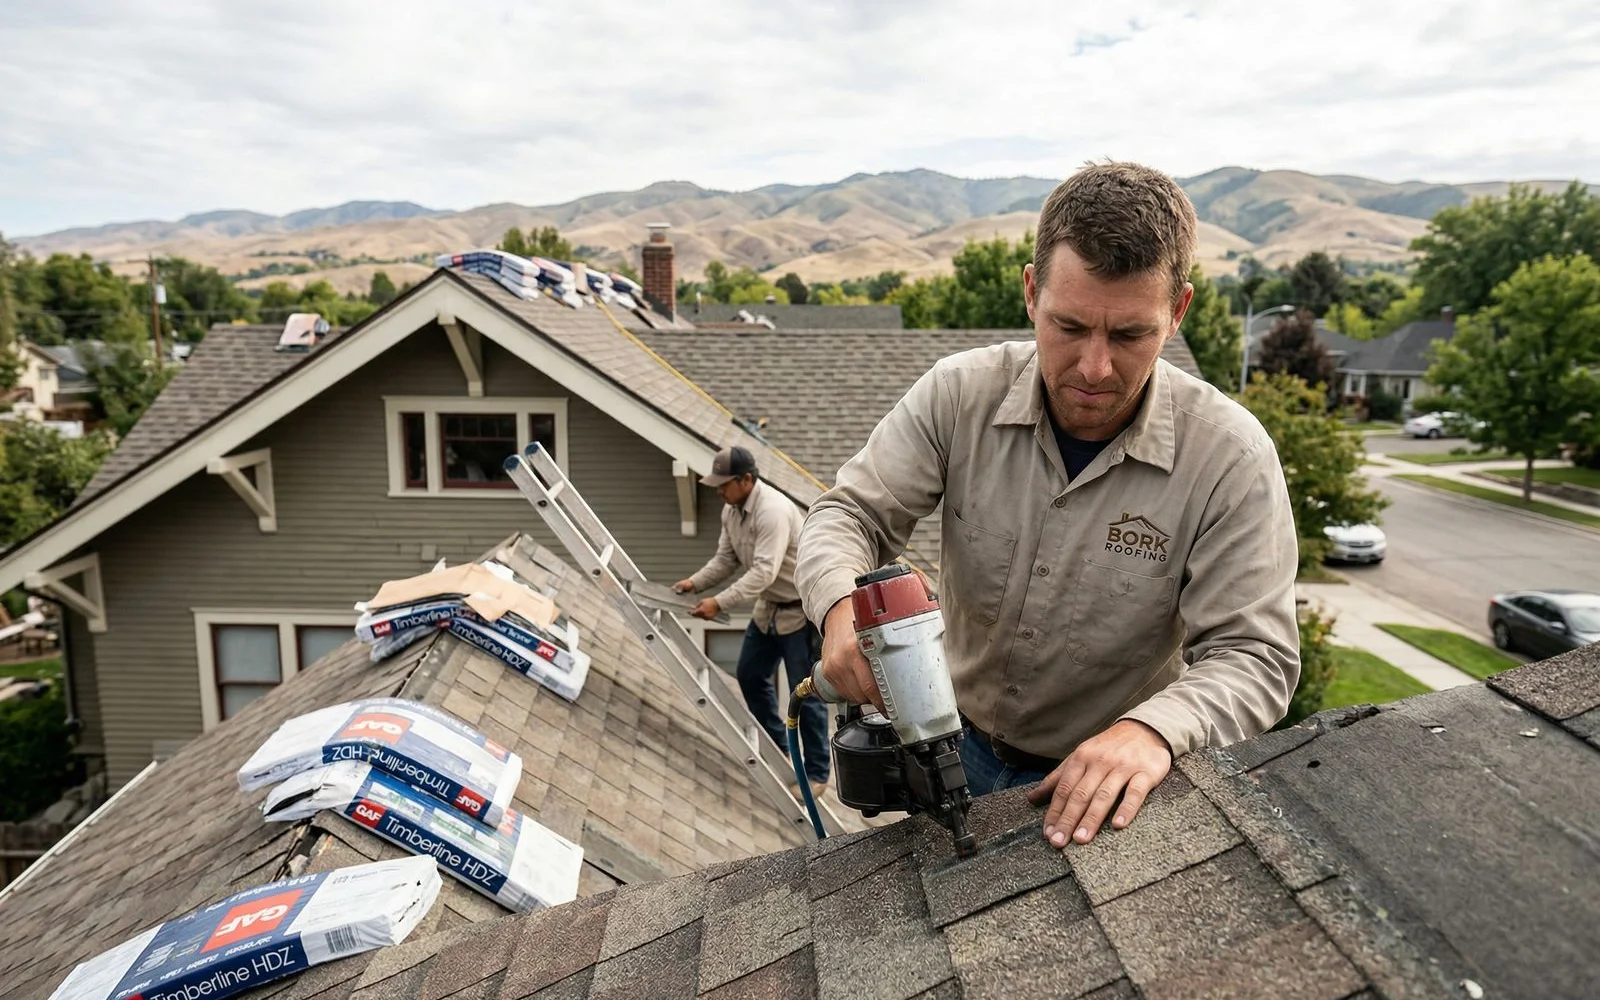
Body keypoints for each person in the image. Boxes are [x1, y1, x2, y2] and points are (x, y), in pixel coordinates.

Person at [796, 161, 1300, 850]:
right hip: (948, 741)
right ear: (1032, 293)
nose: (1096, 367)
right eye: (1069, 326)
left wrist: (1153, 730)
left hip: (1106, 779)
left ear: (1178, 312)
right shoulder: (958, 394)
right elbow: (847, 516)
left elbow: (1255, 655)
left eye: (1130, 335)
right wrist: (837, 612)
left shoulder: (1231, 458)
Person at [674, 445, 832, 796]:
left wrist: (719, 602)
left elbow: (764, 571)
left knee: (804, 691)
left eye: (724, 483)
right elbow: (725, 559)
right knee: (749, 673)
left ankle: (818, 773)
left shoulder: (772, 511)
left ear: (746, 480)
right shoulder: (732, 512)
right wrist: (695, 583)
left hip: (798, 611)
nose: (718, 490)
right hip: (769, 608)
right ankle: (781, 750)